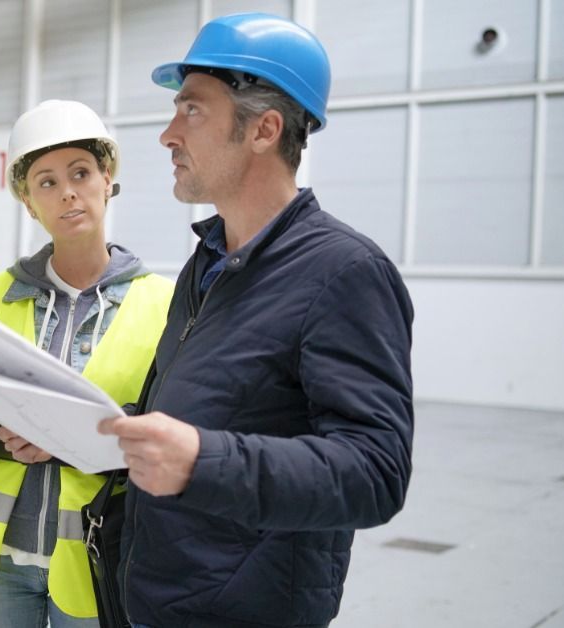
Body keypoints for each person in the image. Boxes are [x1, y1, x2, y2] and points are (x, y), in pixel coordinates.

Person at [96, 13, 415, 628]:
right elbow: (197, 413)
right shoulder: (208, 261)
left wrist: (201, 462)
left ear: (264, 129)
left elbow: (375, 471)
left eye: (191, 111)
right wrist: (87, 433)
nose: (167, 134)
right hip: (156, 597)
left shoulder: (344, 272)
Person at [0, 100, 174, 628]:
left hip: (93, 555)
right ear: (27, 201)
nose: (67, 192)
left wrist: (64, 435)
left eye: (81, 173)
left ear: (107, 180)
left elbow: (171, 441)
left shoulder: (163, 306)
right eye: (45, 182)